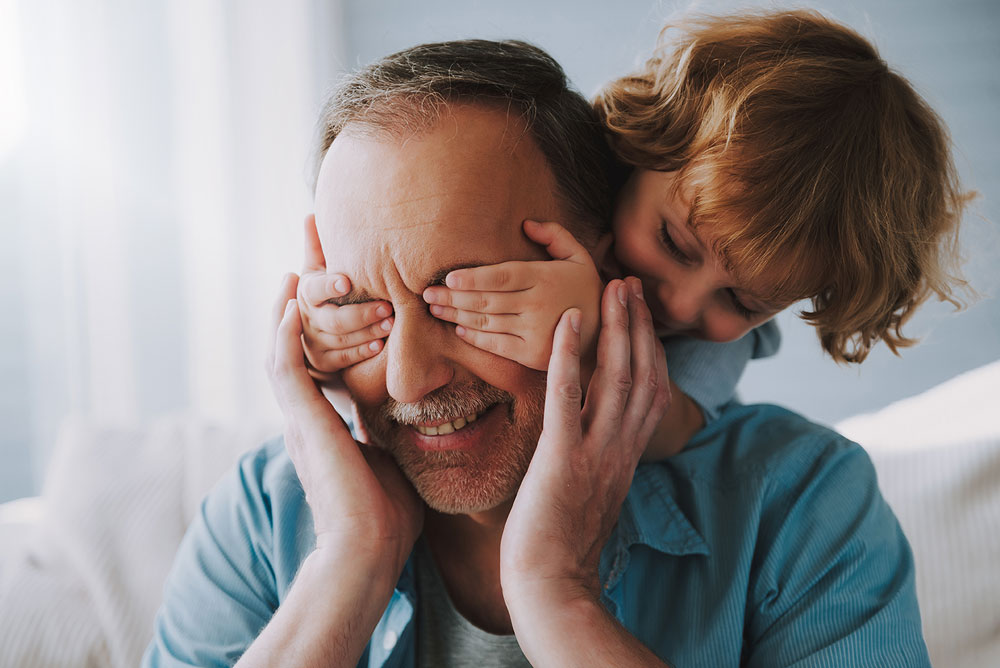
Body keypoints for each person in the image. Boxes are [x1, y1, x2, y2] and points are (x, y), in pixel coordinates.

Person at [143, 39, 930, 667]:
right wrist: (350, 560)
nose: (409, 379)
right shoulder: (265, 516)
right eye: (363, 307)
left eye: (463, 299)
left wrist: (558, 595)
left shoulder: (801, 507)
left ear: (596, 261)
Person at [299, 10, 970, 461]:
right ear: (640, 147)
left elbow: (662, 430)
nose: (679, 303)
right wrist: (340, 335)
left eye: (742, 302)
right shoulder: (557, 179)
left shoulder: (717, 358)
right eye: (675, 244)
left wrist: (591, 342)